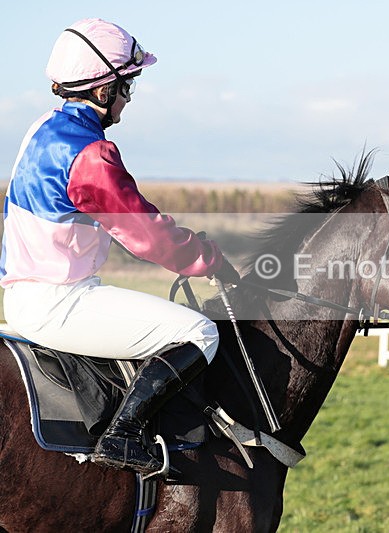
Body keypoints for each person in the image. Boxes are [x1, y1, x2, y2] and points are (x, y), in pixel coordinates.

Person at [0, 18, 240, 476]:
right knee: (199, 334)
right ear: (102, 91)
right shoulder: (92, 153)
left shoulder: (41, 129)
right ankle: (122, 436)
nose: (129, 97)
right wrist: (206, 257)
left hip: (25, 296)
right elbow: (145, 234)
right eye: (126, 86)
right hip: (63, 301)